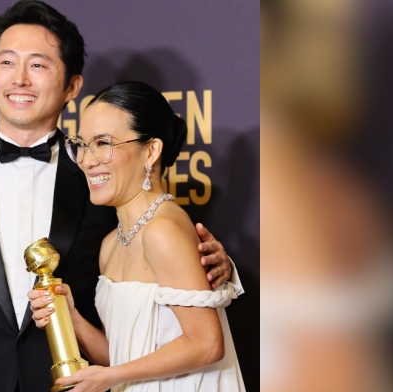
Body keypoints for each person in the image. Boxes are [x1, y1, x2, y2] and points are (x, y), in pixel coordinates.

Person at [0, 2, 237, 391]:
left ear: (72, 85)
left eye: (37, 65)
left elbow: (157, 251)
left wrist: (213, 267)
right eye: (6, 62)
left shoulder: (102, 178)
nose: (19, 79)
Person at [29, 81, 245, 391]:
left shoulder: (163, 230)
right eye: (83, 144)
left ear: (151, 151)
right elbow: (123, 356)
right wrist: (70, 315)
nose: (87, 161)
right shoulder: (109, 245)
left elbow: (206, 344)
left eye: (103, 143)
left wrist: (107, 377)